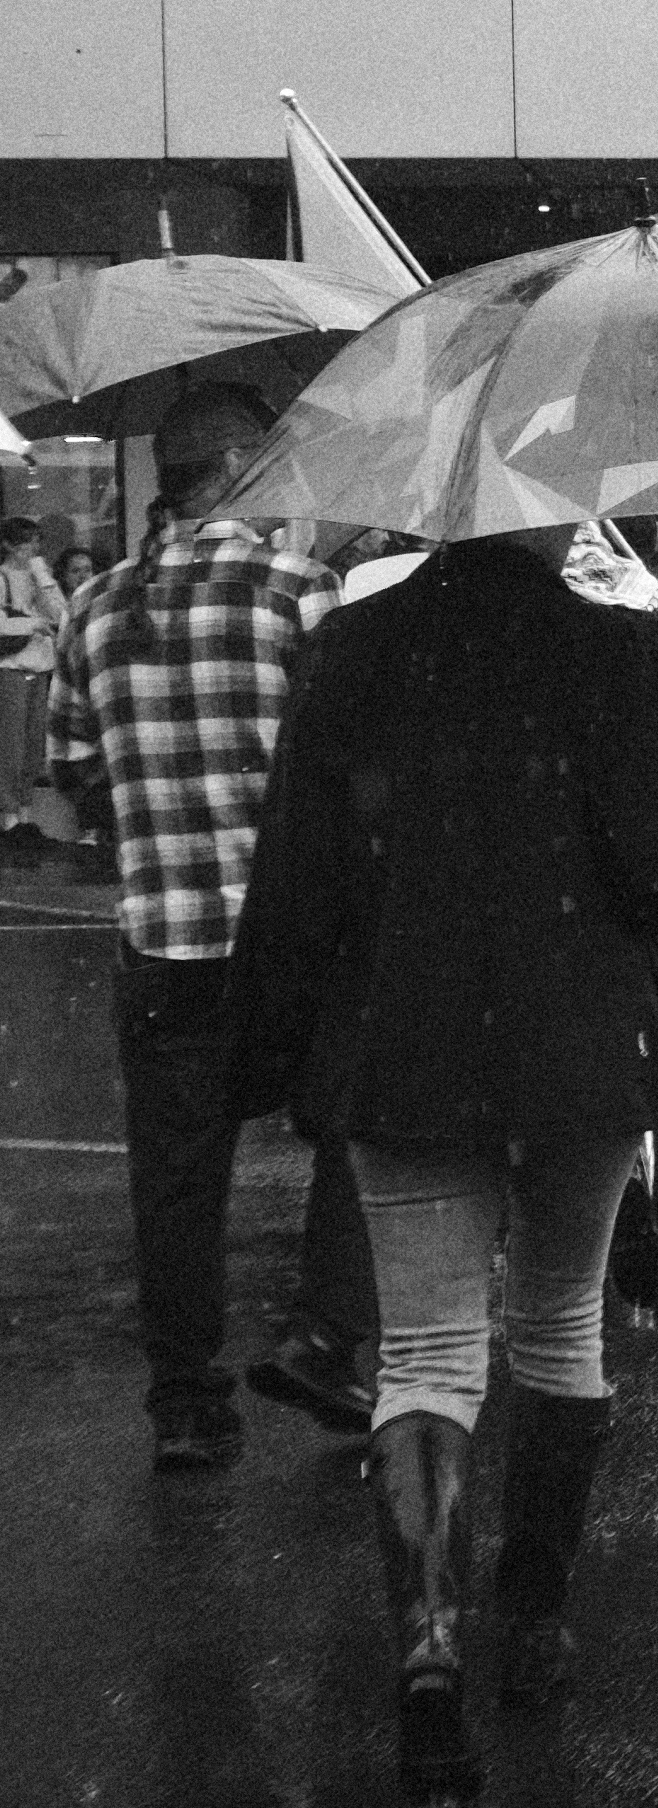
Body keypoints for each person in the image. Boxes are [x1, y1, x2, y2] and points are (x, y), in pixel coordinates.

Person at [230, 515, 658, 1790]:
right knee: (561, 1326)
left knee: (427, 1350)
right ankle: (538, 1619)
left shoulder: (353, 649)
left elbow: (298, 874)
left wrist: (271, 1052)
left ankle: (431, 1641)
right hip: (581, 1049)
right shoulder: (619, 649)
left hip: (407, 1046)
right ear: (553, 515)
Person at [47, 388, 383, 1469]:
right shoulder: (299, 591)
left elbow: (72, 774)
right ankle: (328, 1333)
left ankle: (186, 1402)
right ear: (244, 466)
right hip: (292, 938)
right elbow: (354, 760)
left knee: (178, 1180)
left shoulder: (96, 607)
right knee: (349, 1123)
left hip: (164, 939)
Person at [0, 514, 57, 840]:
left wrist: (42, 576)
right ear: (9, 543)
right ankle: (8, 816)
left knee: (34, 747)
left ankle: (25, 812)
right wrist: (31, 625)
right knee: (11, 745)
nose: (32, 547)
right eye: (26, 540)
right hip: (10, 667)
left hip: (40, 666)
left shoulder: (40, 576)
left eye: (35, 540)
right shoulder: (2, 577)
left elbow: (61, 613)